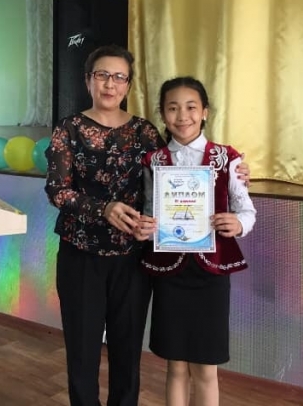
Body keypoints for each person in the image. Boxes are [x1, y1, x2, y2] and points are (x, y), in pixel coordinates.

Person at [44, 46, 251, 406]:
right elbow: (57, 190)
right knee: (82, 351)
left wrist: (238, 169)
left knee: (127, 353)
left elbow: (178, 170)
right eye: (102, 75)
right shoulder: (69, 128)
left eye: (119, 77)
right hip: (81, 255)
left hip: (133, 259)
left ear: (128, 85)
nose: (110, 84)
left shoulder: (144, 132)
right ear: (88, 80)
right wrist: (103, 208)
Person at [135, 76, 257, 406]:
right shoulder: (153, 160)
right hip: (169, 274)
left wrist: (238, 224)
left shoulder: (227, 158)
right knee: (175, 366)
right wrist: (145, 228)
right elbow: (150, 211)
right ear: (162, 114)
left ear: (205, 112)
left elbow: (246, 210)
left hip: (211, 275)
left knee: (206, 368)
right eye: (172, 108)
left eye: (191, 107)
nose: (182, 116)